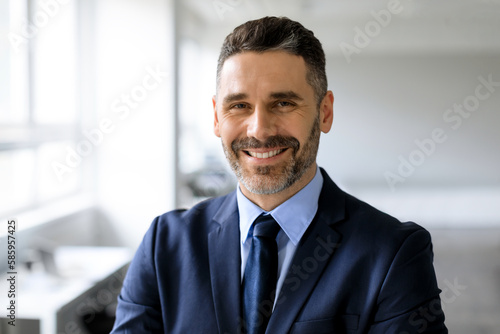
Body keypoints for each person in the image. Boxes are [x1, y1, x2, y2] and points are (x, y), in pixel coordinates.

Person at [111, 16, 447, 334]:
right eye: (239, 105)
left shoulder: (393, 253)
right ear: (216, 117)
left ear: (324, 112)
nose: (259, 130)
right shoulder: (164, 245)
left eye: (283, 103)